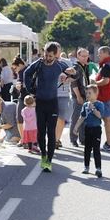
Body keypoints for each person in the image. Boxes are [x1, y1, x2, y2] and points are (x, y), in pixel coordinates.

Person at [23, 41, 75, 172]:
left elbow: (75, 74)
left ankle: (49, 161)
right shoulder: (39, 63)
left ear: (55, 55)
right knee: (41, 132)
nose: (48, 58)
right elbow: (26, 74)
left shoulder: (59, 65)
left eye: (51, 56)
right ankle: (43, 155)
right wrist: (30, 89)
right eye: (46, 55)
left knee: (51, 132)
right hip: (40, 102)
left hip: (52, 102)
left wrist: (69, 74)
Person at [72, 84, 105, 178]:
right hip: (88, 128)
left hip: (96, 129)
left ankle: (98, 168)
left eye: (90, 93)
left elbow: (99, 116)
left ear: (96, 93)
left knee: (96, 149)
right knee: (87, 149)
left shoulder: (99, 104)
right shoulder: (85, 105)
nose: (87, 95)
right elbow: (82, 117)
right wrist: (76, 127)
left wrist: (93, 108)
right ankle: (86, 167)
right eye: (86, 93)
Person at [94, 46, 110, 151]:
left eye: (100, 53)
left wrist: (94, 83)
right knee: (108, 119)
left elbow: (106, 81)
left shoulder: (106, 65)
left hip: (105, 96)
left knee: (107, 120)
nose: (98, 55)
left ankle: (109, 144)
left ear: (106, 53)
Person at [69, 47, 90, 147]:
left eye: (86, 56)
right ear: (78, 56)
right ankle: (73, 139)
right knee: (76, 118)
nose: (85, 58)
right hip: (78, 97)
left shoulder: (85, 66)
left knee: (84, 118)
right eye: (83, 56)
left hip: (85, 96)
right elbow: (74, 83)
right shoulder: (76, 67)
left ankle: (83, 139)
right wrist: (78, 96)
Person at [55, 58, 73, 149]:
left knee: (61, 118)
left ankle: (57, 140)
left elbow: (74, 76)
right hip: (50, 94)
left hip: (63, 94)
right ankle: (53, 138)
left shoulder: (67, 62)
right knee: (52, 118)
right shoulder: (46, 61)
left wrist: (67, 79)